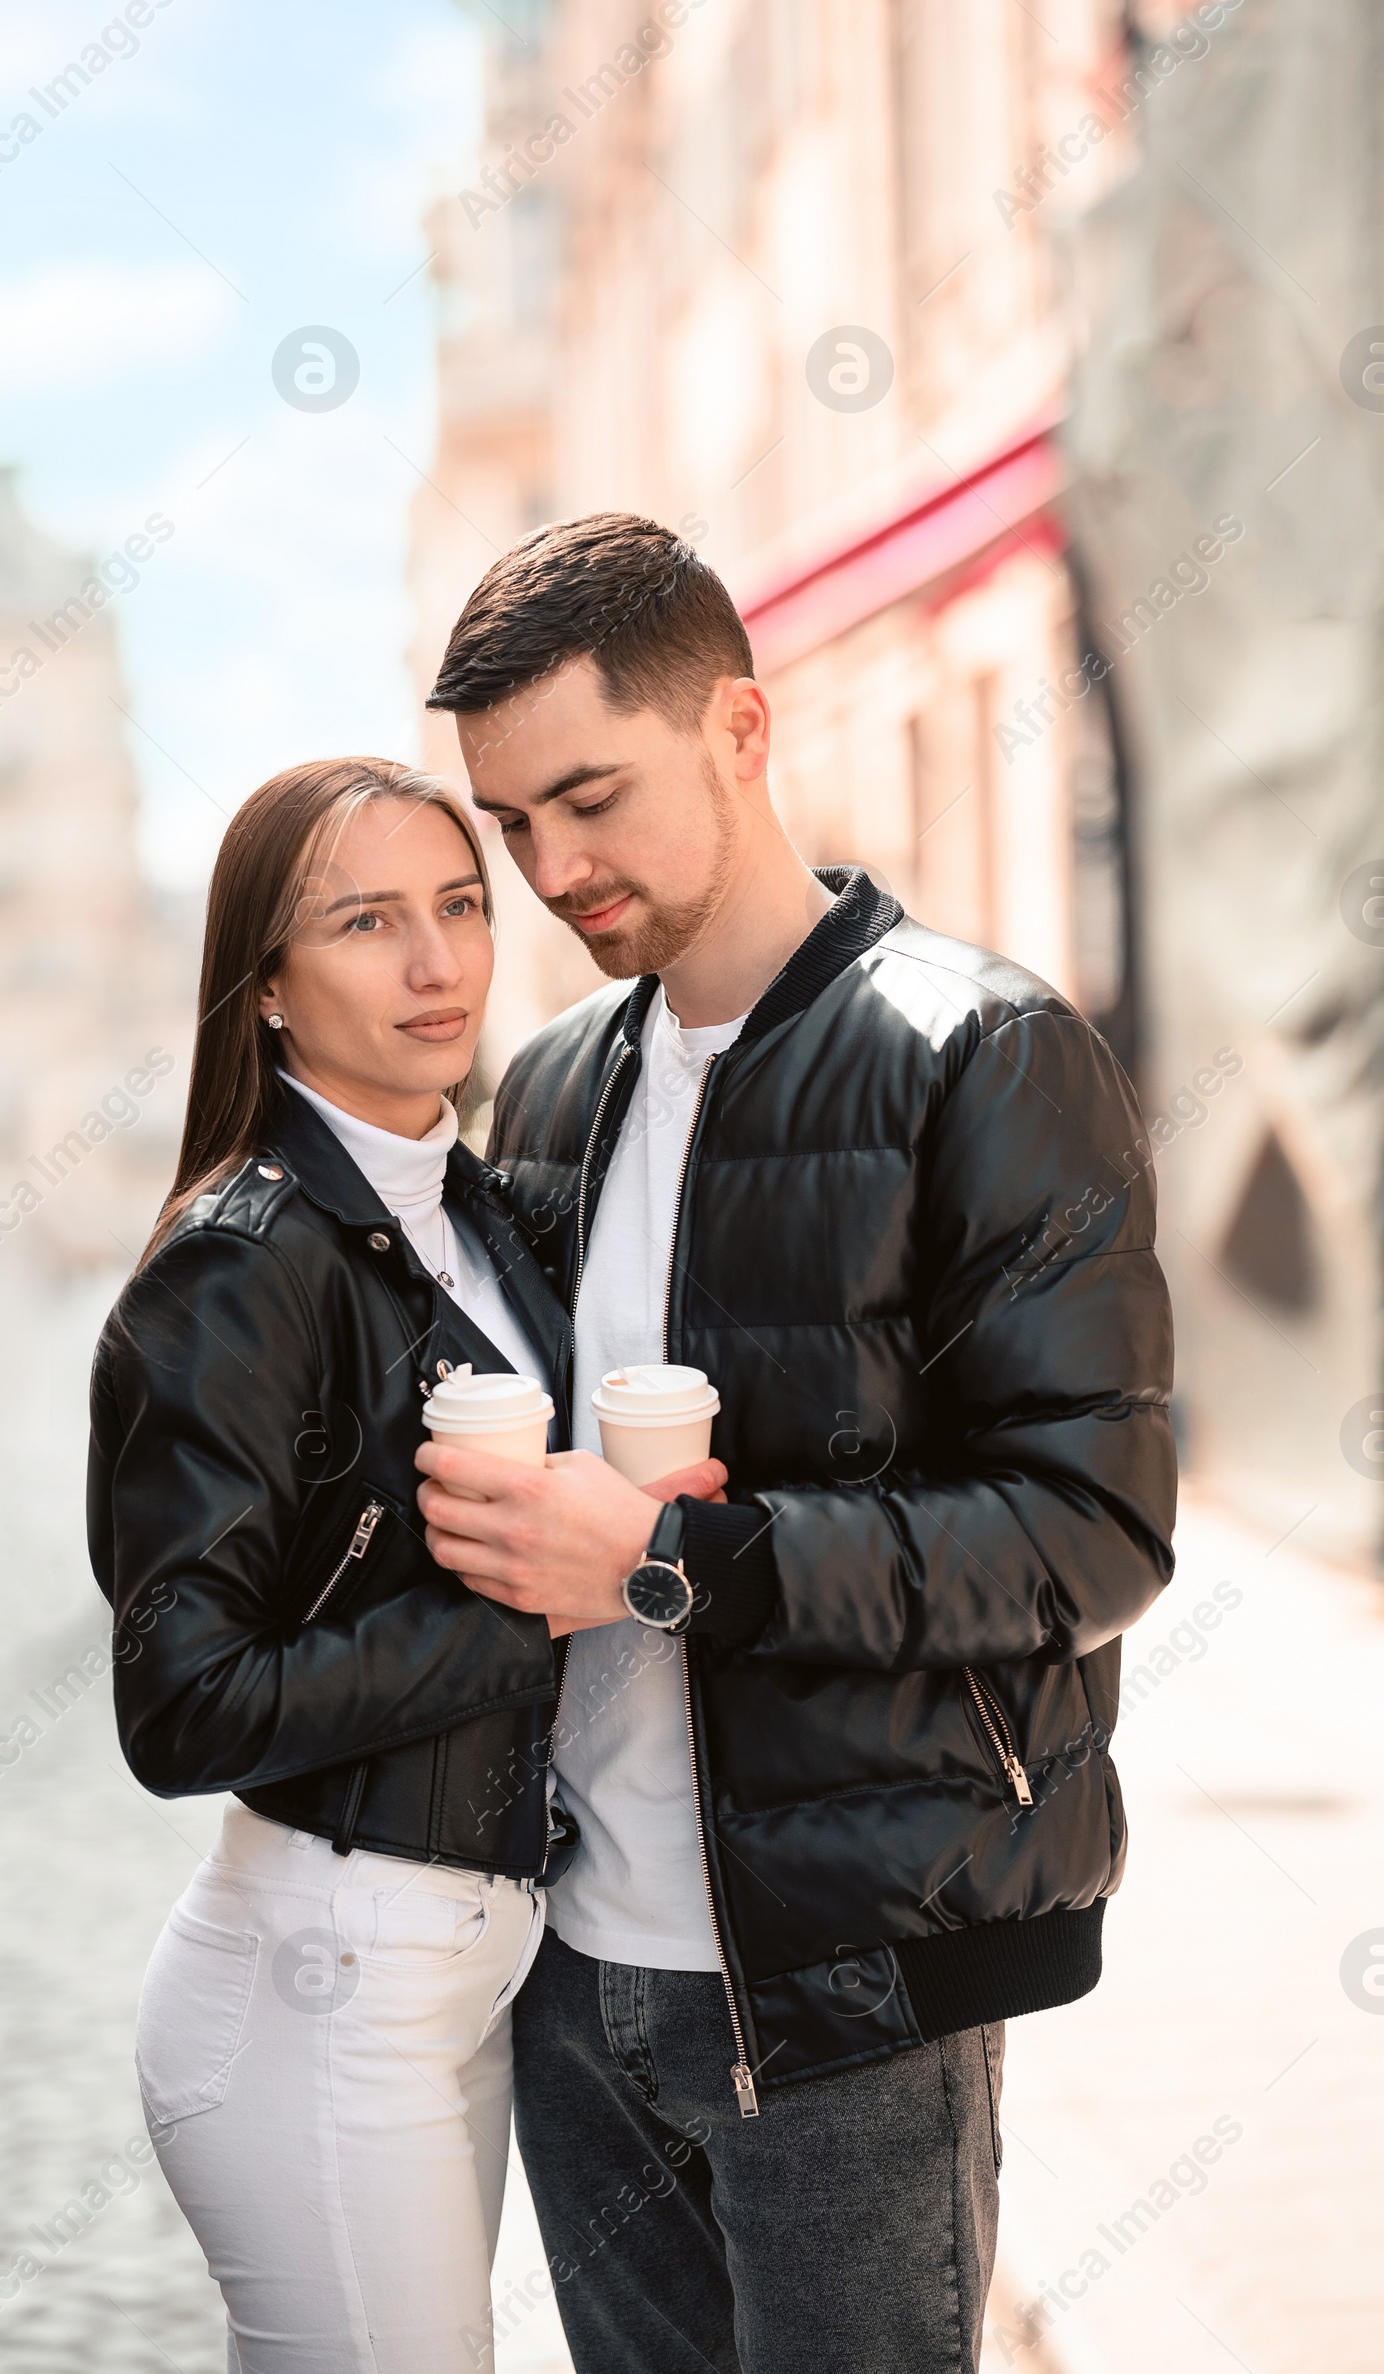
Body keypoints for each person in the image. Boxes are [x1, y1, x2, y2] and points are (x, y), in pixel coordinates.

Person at [415, 515, 1178, 2374]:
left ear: (742, 729)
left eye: (590, 796)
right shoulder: (553, 1082)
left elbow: (1092, 1530)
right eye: (512, 825)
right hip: (578, 1977)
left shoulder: (980, 1051)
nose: (552, 867)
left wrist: (677, 1560)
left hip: (851, 1984)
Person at [85, 755, 725, 2372]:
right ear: (270, 989)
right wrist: (528, 1614)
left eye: (458, 906)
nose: (439, 964)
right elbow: (181, 1701)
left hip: (468, 1969)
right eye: (369, 922)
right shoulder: (238, 1269)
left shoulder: (479, 1211)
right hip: (321, 1978)